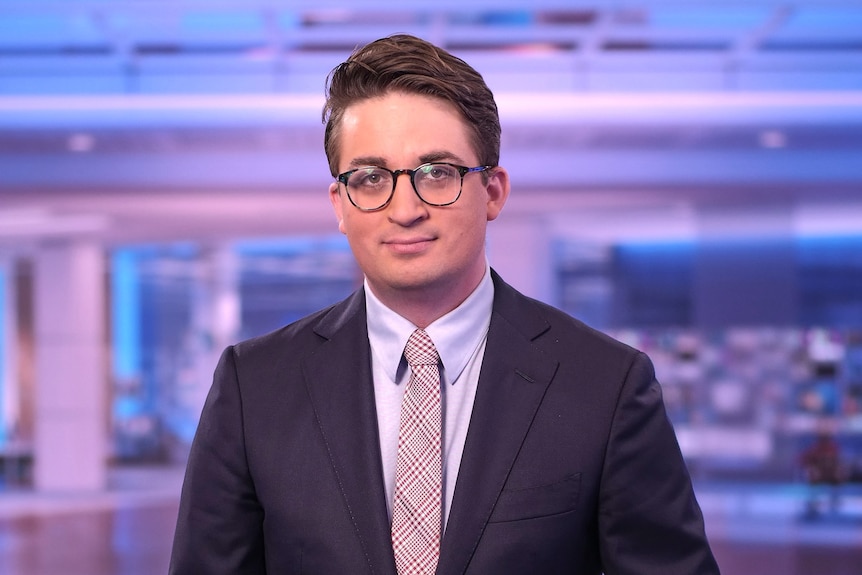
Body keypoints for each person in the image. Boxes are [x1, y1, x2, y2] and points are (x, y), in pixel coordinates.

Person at [170, 34, 720, 574]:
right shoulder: (255, 386)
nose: (404, 208)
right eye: (370, 177)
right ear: (340, 204)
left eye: (437, 173)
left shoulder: (606, 384)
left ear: (494, 192)